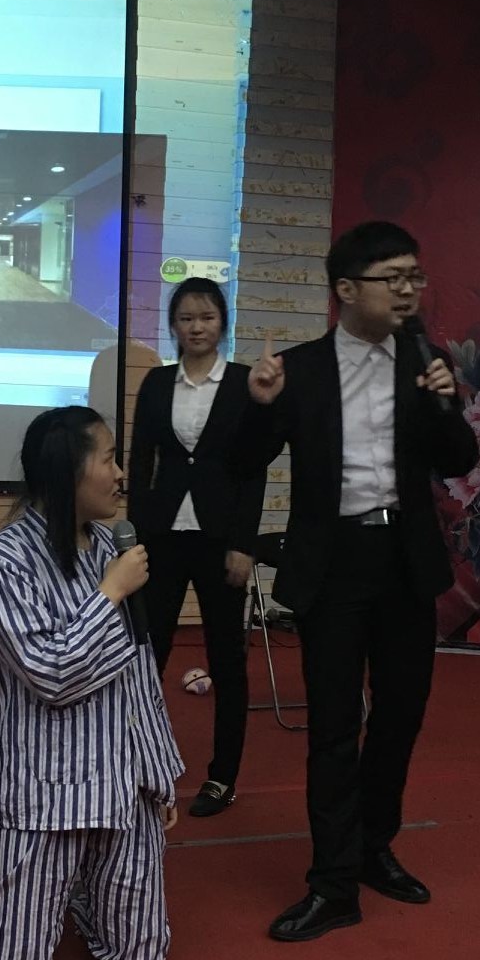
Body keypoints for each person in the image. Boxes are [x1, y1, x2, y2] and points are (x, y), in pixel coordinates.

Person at [235, 221, 480, 943]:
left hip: (405, 559)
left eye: (414, 277)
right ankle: (334, 883)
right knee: (335, 725)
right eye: (392, 278)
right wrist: (257, 404)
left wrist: (445, 401)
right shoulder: (300, 370)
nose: (408, 291)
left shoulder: (426, 362)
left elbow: (459, 460)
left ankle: (375, 845)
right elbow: (245, 462)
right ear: (346, 289)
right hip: (334, 562)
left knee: (401, 713)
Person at [0, 406, 182, 960]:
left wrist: (159, 775)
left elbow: (140, 675)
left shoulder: (110, 544)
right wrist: (110, 593)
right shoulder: (5, 562)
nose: (120, 474)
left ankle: (75, 891)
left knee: (139, 957)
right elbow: (52, 674)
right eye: (109, 459)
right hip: (44, 790)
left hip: (121, 784)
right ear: (67, 472)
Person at [127, 278, 266, 817]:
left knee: (227, 661)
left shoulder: (243, 384)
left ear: (222, 322)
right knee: (147, 657)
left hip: (221, 539)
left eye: (206, 317)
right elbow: (142, 461)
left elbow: (252, 471)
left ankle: (222, 777)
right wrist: (135, 534)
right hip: (162, 536)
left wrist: (244, 544)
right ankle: (138, 766)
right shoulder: (157, 383)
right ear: (173, 326)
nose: (196, 327)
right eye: (186, 318)